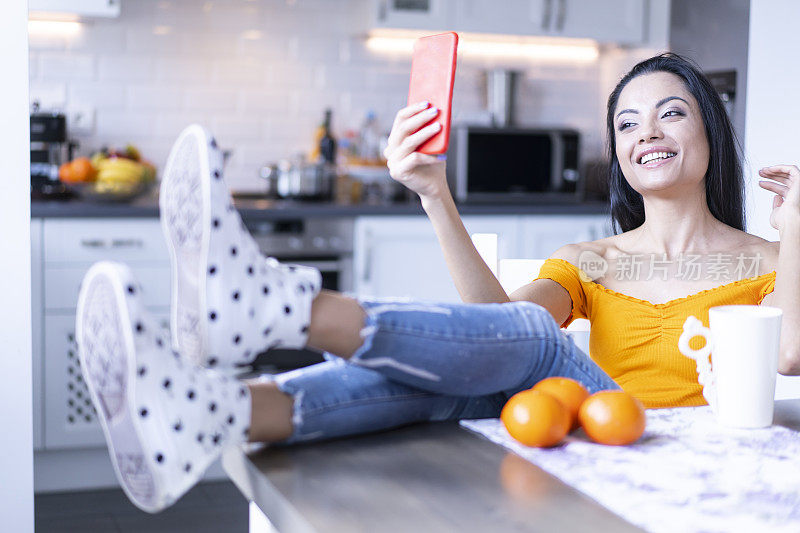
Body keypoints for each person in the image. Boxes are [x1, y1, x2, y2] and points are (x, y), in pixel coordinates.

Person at [75, 53, 799, 513]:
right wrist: (433, 195)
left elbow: (789, 354)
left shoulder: (770, 259)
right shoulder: (591, 257)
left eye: (671, 112)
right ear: (618, 154)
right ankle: (221, 409)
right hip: (587, 442)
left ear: (710, 131)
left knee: (515, 353)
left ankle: (269, 331)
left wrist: (796, 228)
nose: (648, 131)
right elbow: (496, 336)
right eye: (628, 122)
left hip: (684, 456)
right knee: (500, 354)